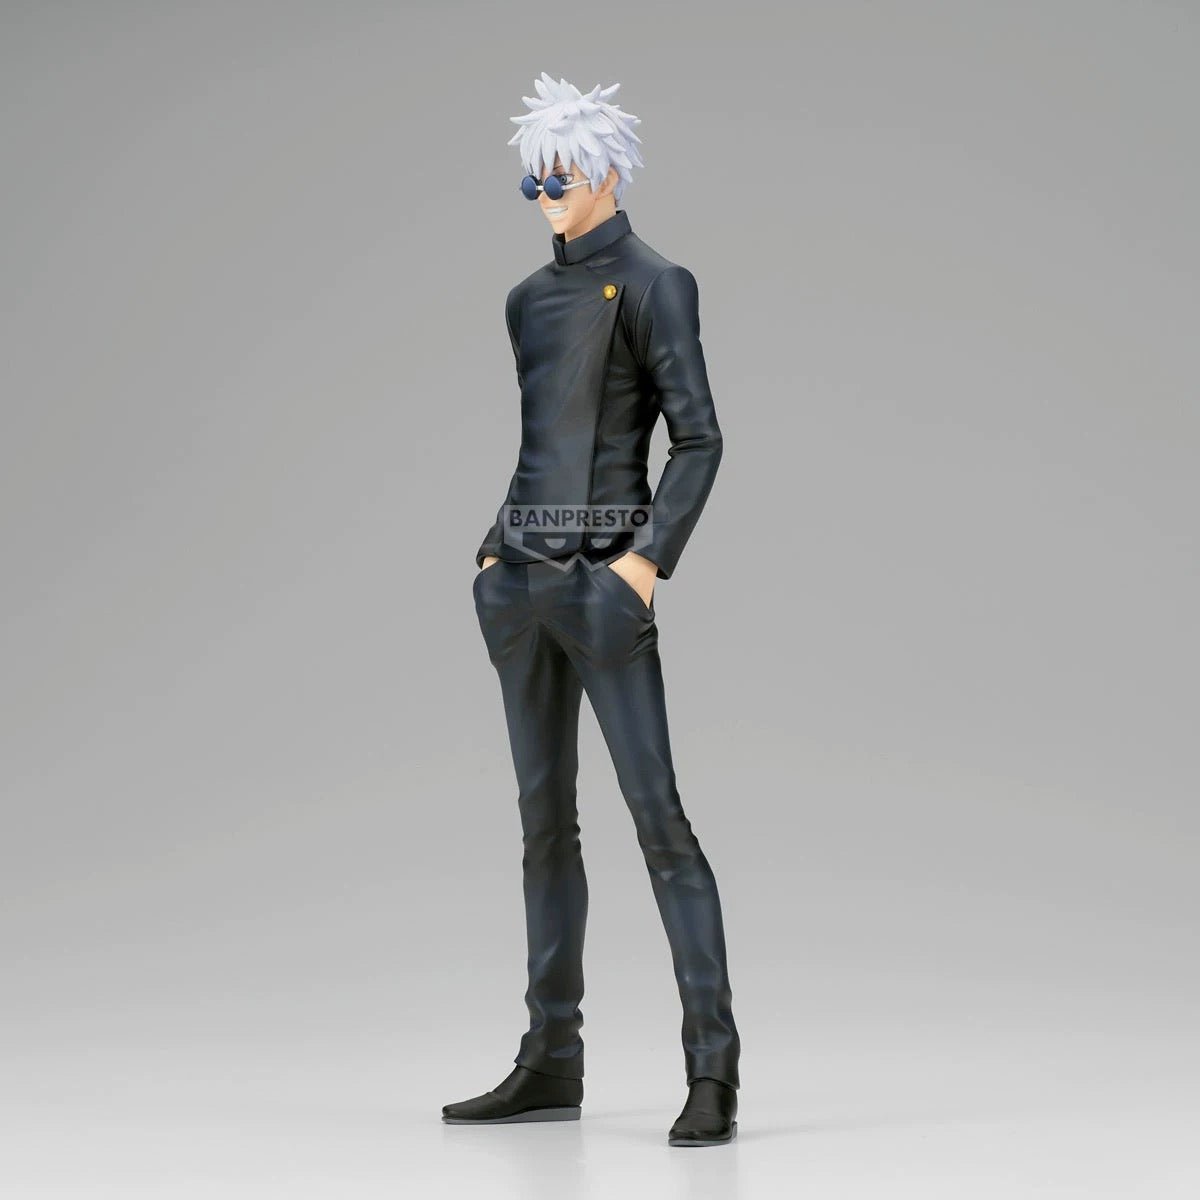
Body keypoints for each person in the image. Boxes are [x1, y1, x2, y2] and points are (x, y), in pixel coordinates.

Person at [441, 73, 741, 1146]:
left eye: (558, 180)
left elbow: (699, 437)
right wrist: (492, 550)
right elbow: (542, 438)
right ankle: (549, 1060)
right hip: (521, 579)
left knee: (659, 821)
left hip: (604, 578)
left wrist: (645, 561)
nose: (543, 198)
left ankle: (713, 1072)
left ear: (608, 173)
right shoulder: (527, 300)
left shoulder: (659, 284)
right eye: (531, 183)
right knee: (542, 826)